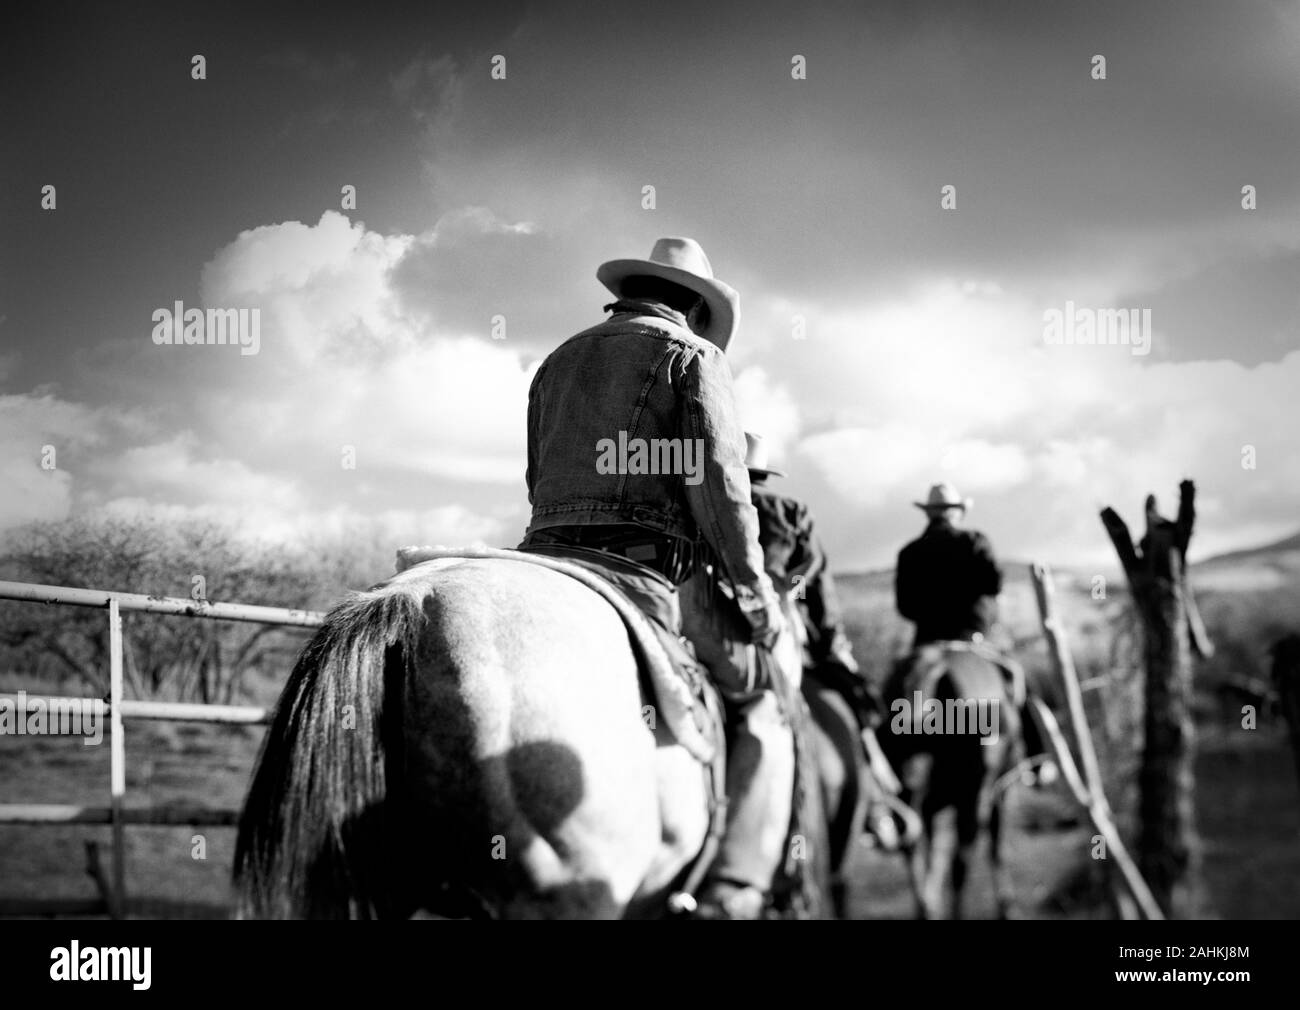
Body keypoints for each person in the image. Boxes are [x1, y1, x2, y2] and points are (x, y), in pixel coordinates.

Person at [519, 237, 792, 919]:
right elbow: (720, 491)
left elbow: (535, 480)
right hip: (642, 567)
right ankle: (733, 886)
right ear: (695, 306)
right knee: (761, 703)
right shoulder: (695, 357)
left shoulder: (556, 361)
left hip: (543, 560)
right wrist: (755, 595)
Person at [740, 432, 899, 848]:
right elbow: (817, 590)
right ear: (765, 473)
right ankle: (879, 805)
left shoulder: (702, 506)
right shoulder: (790, 512)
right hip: (788, 635)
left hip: (715, 632)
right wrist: (830, 647)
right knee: (856, 703)